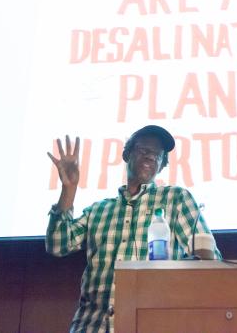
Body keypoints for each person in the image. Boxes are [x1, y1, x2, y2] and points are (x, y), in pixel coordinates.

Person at [46, 125, 221, 333]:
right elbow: (57, 244)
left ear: (161, 165)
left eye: (157, 155)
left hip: (150, 326)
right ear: (127, 154)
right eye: (144, 150)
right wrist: (69, 188)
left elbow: (211, 263)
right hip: (91, 326)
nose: (150, 157)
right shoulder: (99, 210)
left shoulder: (176, 200)